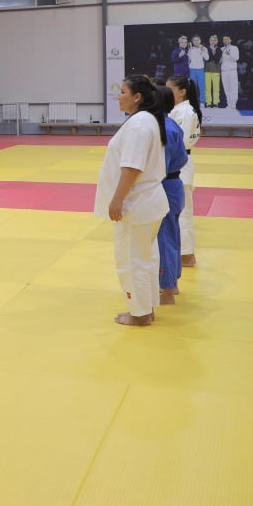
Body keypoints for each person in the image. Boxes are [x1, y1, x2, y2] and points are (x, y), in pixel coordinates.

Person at [94, 75, 169, 327]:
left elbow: (132, 167)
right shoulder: (145, 120)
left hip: (137, 203)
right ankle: (146, 307)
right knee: (145, 258)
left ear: (137, 97)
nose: (119, 96)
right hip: (147, 202)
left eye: (123, 91)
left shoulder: (139, 124)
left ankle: (139, 313)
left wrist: (116, 200)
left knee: (131, 260)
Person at [155, 85, 188, 306]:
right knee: (172, 234)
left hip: (165, 185)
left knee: (164, 238)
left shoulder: (164, 128)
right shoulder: (171, 124)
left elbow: (161, 165)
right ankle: (172, 282)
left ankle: (167, 289)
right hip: (174, 185)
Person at [168, 75, 203, 268]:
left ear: (182, 92)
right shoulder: (177, 110)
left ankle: (187, 255)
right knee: (176, 210)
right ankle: (179, 252)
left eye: (170, 90)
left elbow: (179, 141)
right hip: (176, 162)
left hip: (180, 162)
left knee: (183, 212)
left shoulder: (186, 112)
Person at [219, 35, 239, 110]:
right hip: (224, 71)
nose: (225, 41)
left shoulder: (234, 48)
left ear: (230, 40)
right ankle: (229, 104)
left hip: (232, 71)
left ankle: (233, 104)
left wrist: (229, 54)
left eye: (227, 39)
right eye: (224, 39)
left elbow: (236, 58)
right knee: (226, 88)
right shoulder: (221, 49)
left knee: (233, 87)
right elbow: (220, 61)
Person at [186, 35, 208, 101]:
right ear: (192, 41)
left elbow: (207, 58)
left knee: (202, 86)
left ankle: (202, 102)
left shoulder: (204, 48)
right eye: (194, 40)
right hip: (192, 70)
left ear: (200, 41)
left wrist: (203, 50)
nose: (196, 41)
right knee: (192, 87)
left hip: (200, 69)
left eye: (197, 40)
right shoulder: (190, 49)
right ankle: (193, 101)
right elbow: (188, 59)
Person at [204, 35, 222, 108]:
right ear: (209, 41)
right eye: (211, 40)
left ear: (217, 41)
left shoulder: (219, 50)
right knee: (207, 88)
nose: (213, 42)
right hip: (207, 70)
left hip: (216, 70)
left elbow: (217, 60)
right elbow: (207, 59)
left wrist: (214, 53)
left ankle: (216, 102)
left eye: (214, 40)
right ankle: (208, 102)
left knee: (216, 88)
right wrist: (212, 53)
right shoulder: (206, 49)